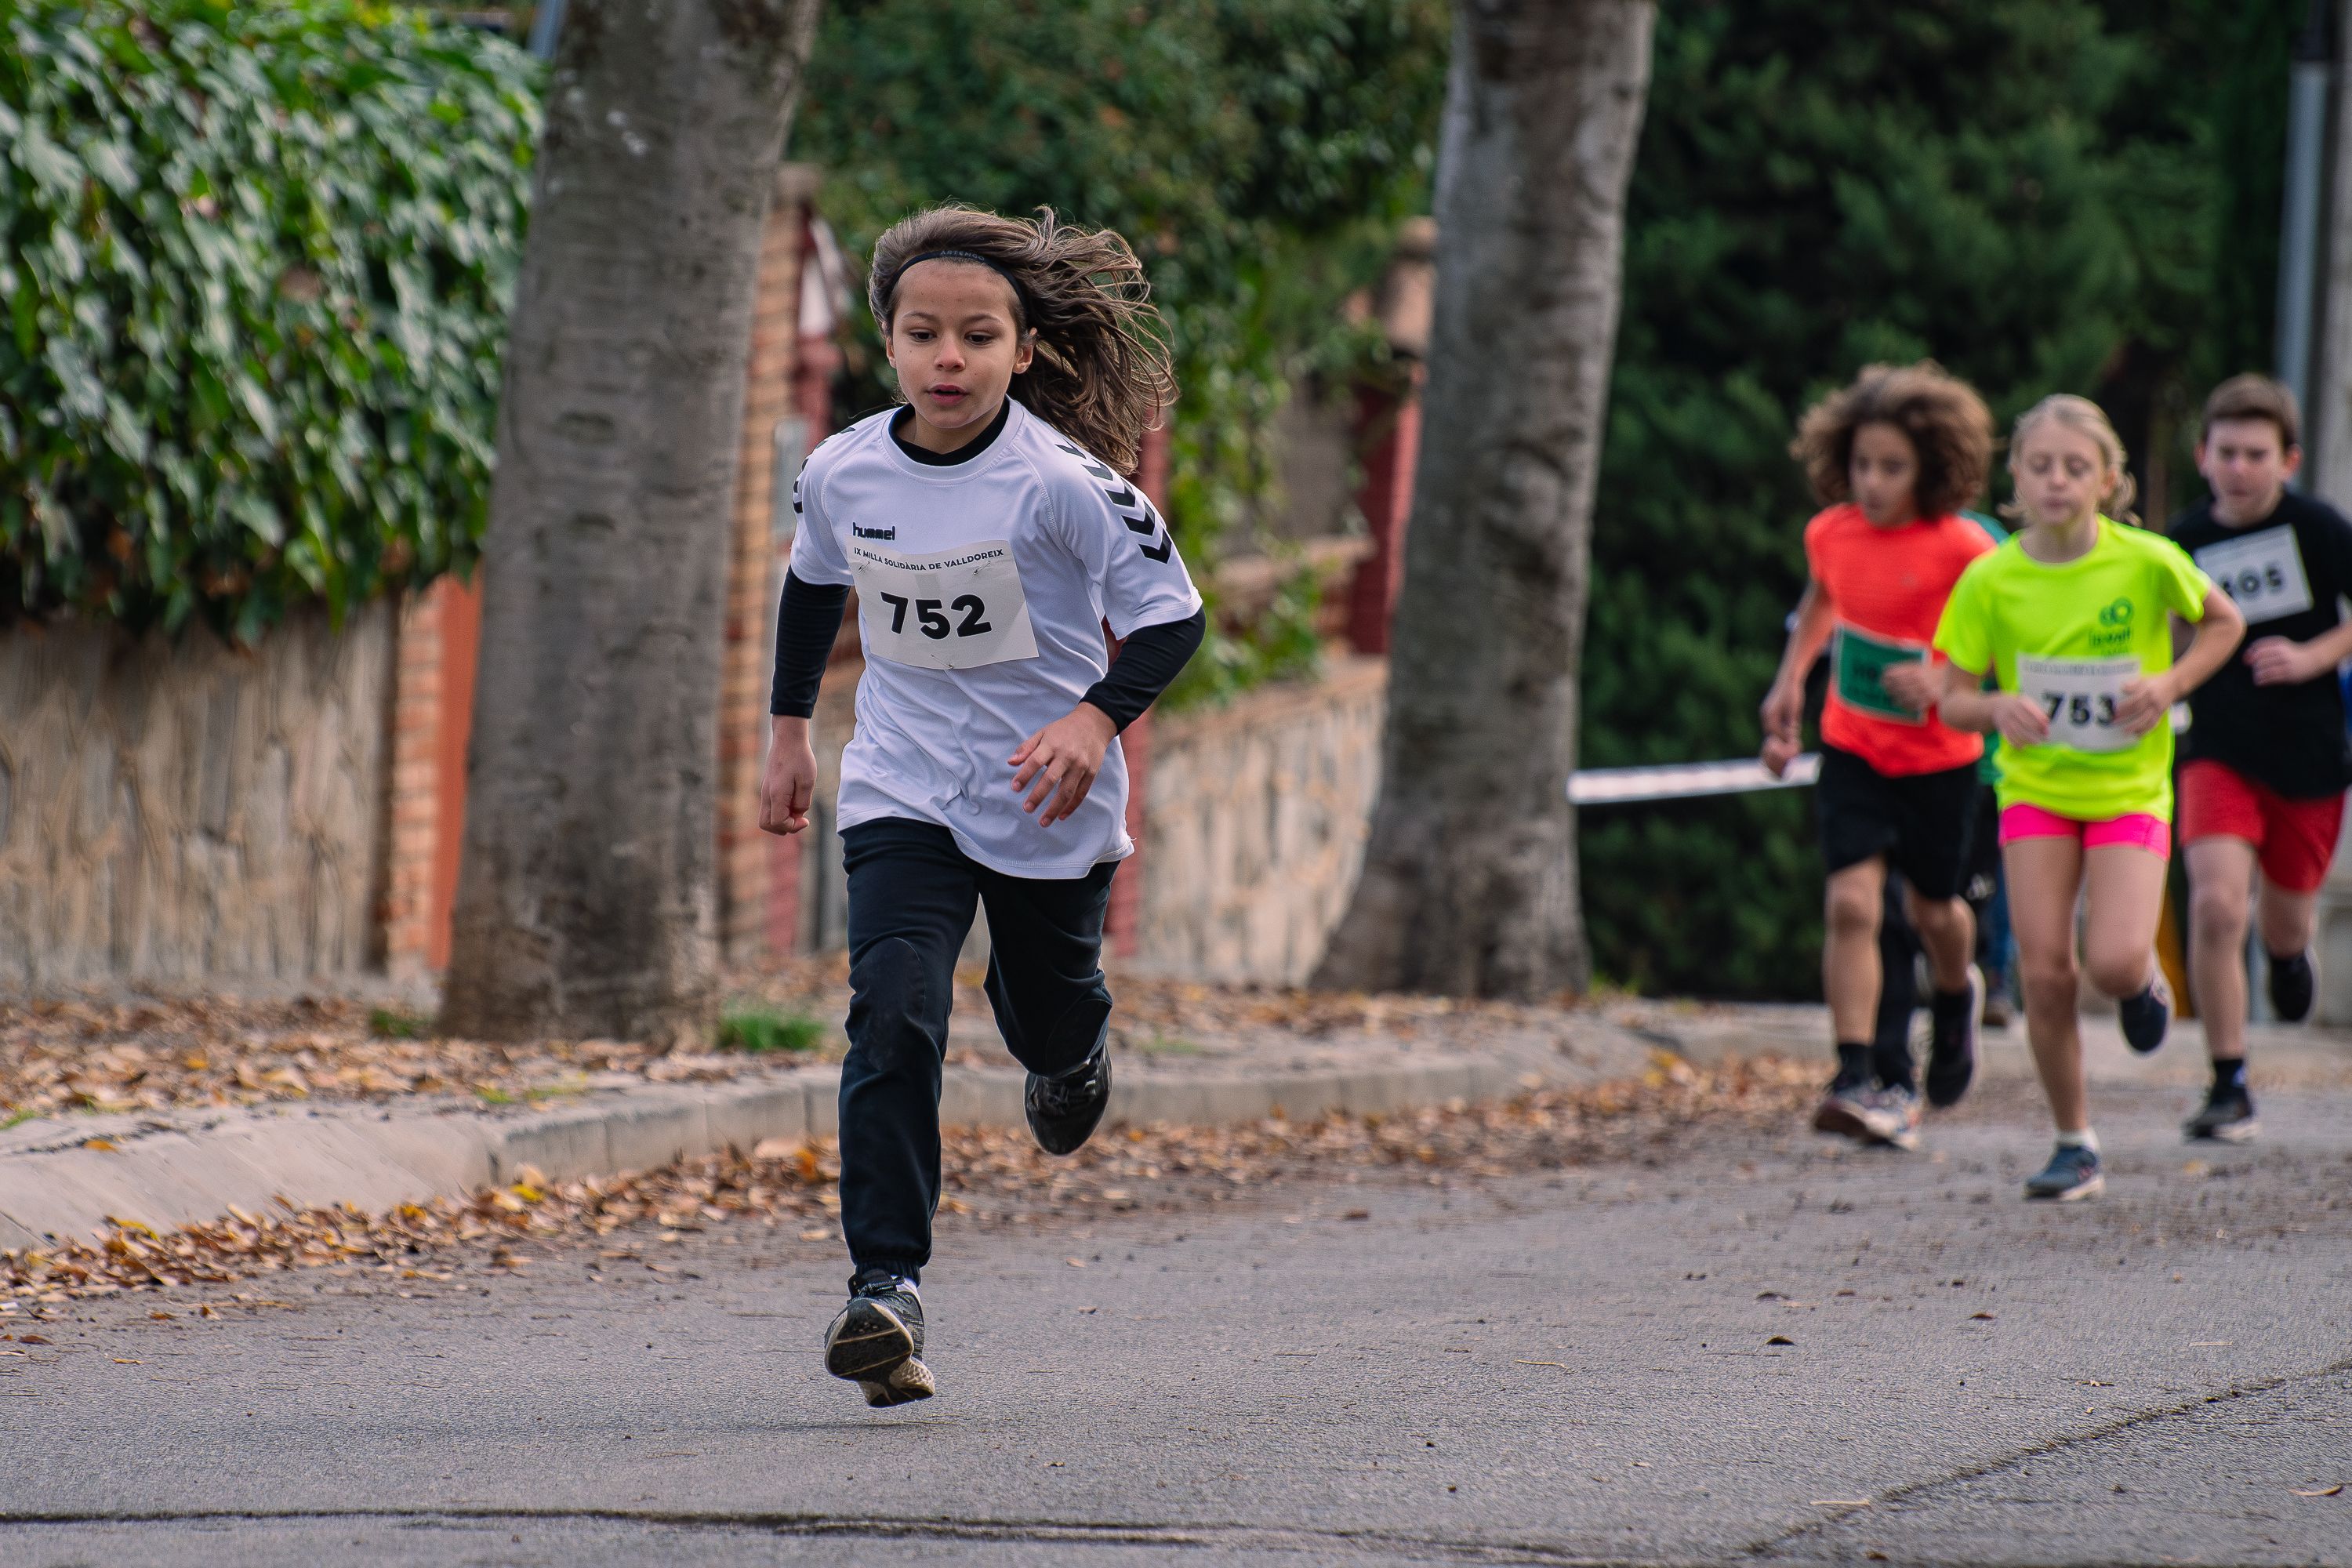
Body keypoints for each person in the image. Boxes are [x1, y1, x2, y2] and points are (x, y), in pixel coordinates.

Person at [760, 205, 1205, 1406]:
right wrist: (788, 732)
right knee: (894, 1009)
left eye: (977, 337)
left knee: (1044, 1022)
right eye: (923, 335)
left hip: (1046, 795)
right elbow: (812, 587)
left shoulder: (1064, 485)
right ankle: (884, 1288)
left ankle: (1073, 1050)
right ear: (888, 345)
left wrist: (1093, 720)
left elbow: (1173, 618)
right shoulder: (843, 470)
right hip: (904, 784)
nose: (947, 359)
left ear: (1023, 349)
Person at [1934, 395, 2246, 1201]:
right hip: (2036, 789)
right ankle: (2074, 1142)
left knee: (2110, 962)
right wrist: (1995, 707)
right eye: (2040, 466)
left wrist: (2170, 682)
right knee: (2044, 972)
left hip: (2127, 789)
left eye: (2076, 467)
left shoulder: (2146, 560)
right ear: (2015, 476)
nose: (2057, 481)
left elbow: (2225, 623)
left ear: (2108, 479)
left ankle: (2141, 982)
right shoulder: (1991, 578)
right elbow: (1950, 696)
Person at [1760, 363, 2000, 1151]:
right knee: (1852, 905)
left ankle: (1957, 992)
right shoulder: (1830, 533)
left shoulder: (1964, 547)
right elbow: (1822, 601)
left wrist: (1943, 676)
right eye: (1862, 463)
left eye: (1892, 467)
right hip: (1854, 747)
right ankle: (1856, 1071)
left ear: (1930, 468)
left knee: (1933, 912)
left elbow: (2002, 643)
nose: (1872, 482)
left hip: (1940, 759)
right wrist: (1790, 682)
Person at [2168, 375, 2352, 1143]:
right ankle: (2227, 1079)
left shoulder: (2318, 527)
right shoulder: (2182, 543)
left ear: (2288, 461)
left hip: (2308, 753)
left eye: (2256, 454)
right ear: (2203, 456)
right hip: (2217, 747)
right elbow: (2164, 631)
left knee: (2282, 921)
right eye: (2227, 453)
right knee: (2216, 905)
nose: (2240, 468)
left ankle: (2287, 954)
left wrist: (2315, 656)